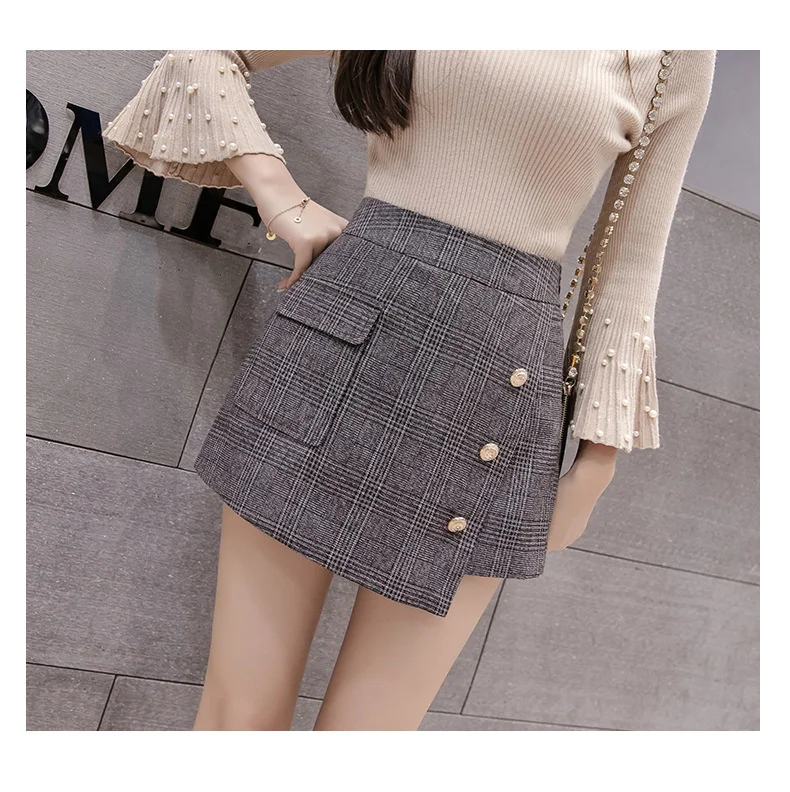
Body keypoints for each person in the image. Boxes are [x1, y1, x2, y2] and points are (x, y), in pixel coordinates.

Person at [102, 49, 716, 730]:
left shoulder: (672, 46)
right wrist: (284, 201)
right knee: (240, 718)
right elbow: (207, 53)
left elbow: (630, 265)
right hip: (337, 340)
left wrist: (598, 464)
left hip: (499, 392)